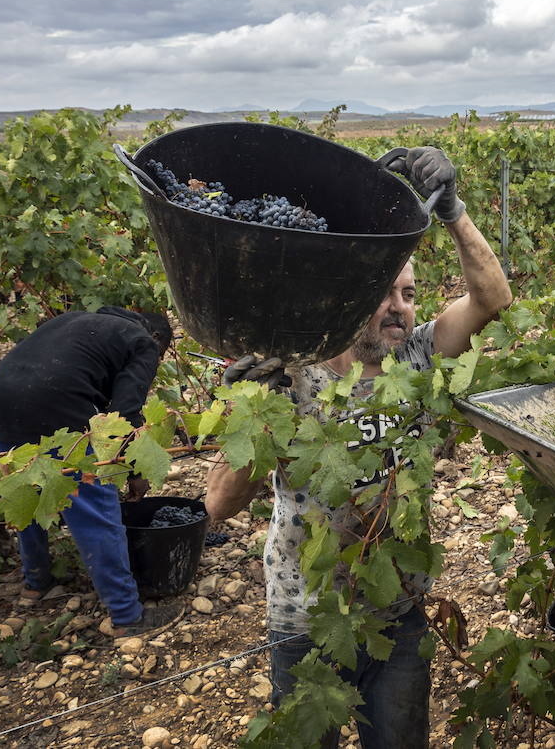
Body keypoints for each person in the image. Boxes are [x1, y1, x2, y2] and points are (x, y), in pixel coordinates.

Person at [204, 147, 512, 748]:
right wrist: (253, 418)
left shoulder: (419, 357)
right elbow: (219, 504)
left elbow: (491, 299)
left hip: (397, 617)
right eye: (384, 293)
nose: (399, 307)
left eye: (409, 293)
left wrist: (454, 213)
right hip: (305, 618)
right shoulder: (292, 374)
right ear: (347, 296)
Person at [0, 306, 181, 637]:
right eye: (160, 356)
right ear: (157, 338)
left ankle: (36, 584)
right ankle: (127, 617)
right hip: (53, 401)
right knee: (95, 508)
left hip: (1, 397)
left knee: (28, 490)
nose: (156, 362)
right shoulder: (142, 342)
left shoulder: (82, 322)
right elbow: (124, 413)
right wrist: (135, 469)